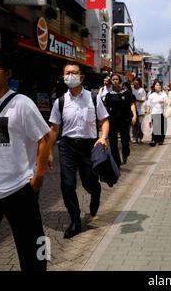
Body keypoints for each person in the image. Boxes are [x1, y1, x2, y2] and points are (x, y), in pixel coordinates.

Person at [0, 47, 50, 271]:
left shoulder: (22, 103)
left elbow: (45, 138)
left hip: (19, 188)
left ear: (7, 72)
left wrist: (38, 178)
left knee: (35, 248)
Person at [48, 61, 110, 239]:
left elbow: (104, 120)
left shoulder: (93, 98)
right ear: (63, 76)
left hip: (89, 145)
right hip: (67, 146)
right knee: (67, 185)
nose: (70, 76)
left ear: (81, 76)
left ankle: (96, 192)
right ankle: (75, 220)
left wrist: (103, 137)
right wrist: (49, 152)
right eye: (66, 73)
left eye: (73, 73)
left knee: (89, 182)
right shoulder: (60, 102)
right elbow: (54, 129)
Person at [104, 76, 136, 166]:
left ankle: (125, 154)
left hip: (125, 120)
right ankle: (116, 162)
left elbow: (132, 104)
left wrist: (134, 116)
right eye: (113, 80)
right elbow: (106, 108)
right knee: (113, 142)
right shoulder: (109, 95)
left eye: (116, 79)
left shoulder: (126, 93)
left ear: (120, 81)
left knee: (125, 141)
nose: (115, 81)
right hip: (112, 120)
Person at [147, 81, 168, 146]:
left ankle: (160, 140)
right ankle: (154, 140)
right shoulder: (151, 95)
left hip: (163, 112)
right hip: (154, 112)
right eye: (157, 85)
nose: (158, 86)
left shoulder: (163, 94)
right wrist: (148, 113)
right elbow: (148, 105)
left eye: (159, 85)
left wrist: (163, 102)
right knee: (156, 127)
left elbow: (167, 102)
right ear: (154, 86)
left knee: (162, 127)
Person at [132, 78, 146, 144]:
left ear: (139, 83)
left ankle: (140, 138)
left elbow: (143, 100)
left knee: (140, 125)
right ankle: (135, 138)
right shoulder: (132, 90)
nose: (135, 83)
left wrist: (136, 100)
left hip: (141, 110)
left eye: (137, 82)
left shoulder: (142, 90)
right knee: (134, 125)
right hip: (133, 110)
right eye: (134, 81)